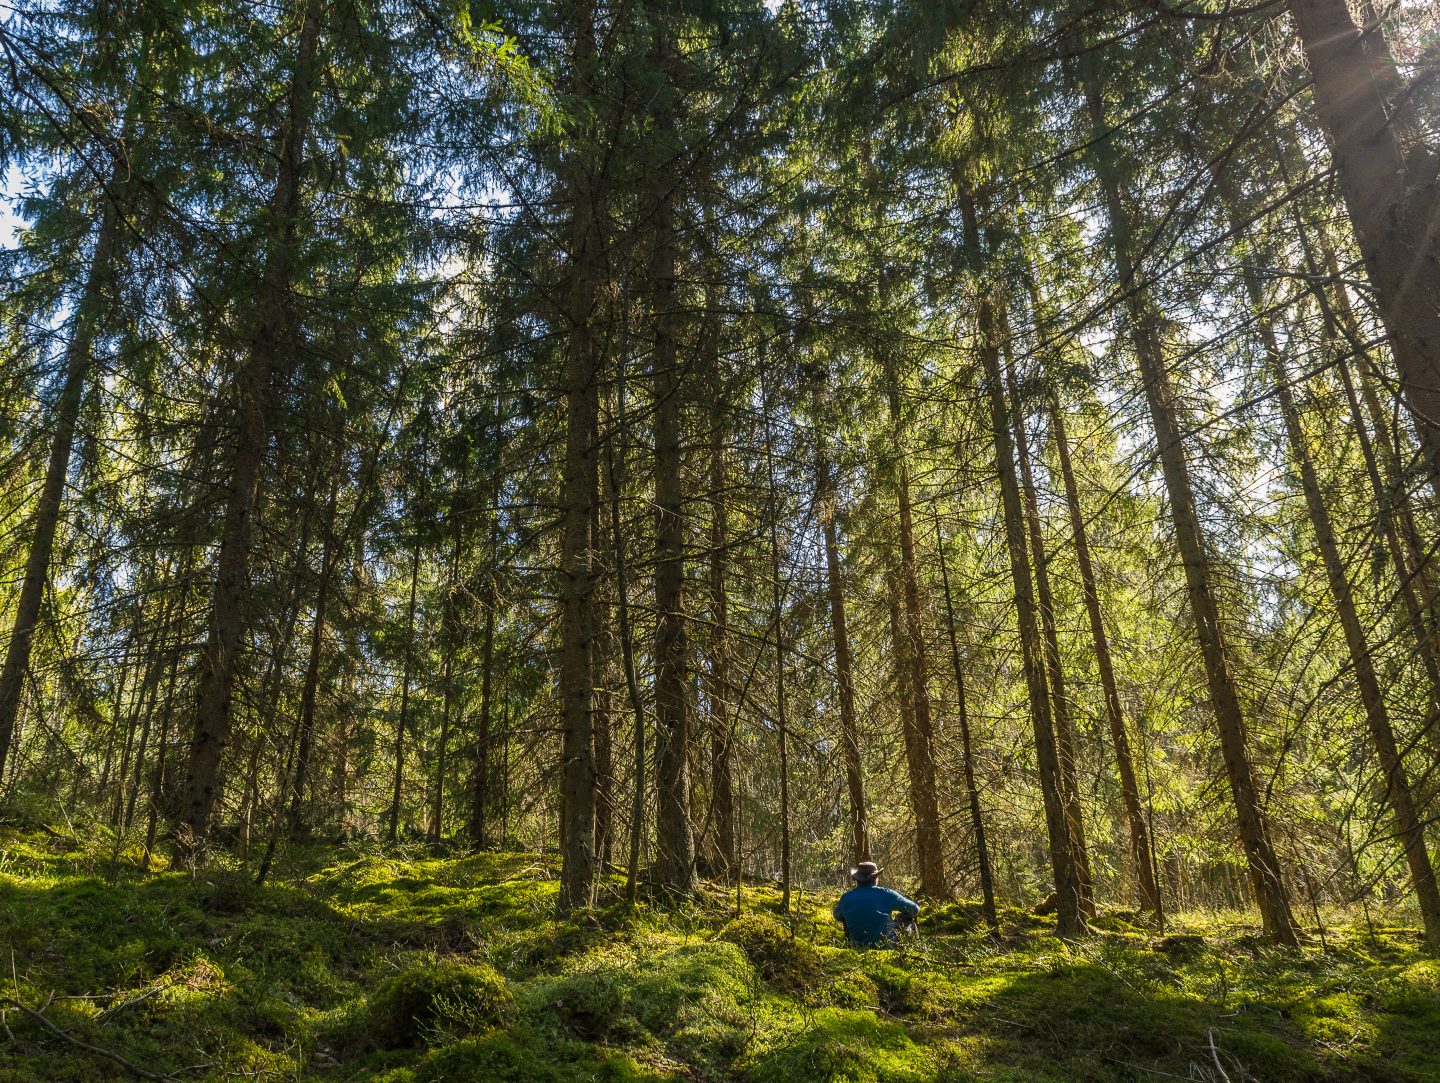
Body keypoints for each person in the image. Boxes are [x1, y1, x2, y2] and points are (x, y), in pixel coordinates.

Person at [832, 861, 920, 947]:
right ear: (875, 878)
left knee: (845, 918)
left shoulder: (846, 897)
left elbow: (837, 915)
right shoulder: (887, 893)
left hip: (857, 945)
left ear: (857, 879)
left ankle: (854, 943)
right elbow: (915, 909)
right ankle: (912, 947)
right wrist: (900, 917)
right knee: (909, 918)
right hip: (886, 944)